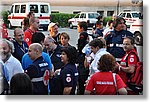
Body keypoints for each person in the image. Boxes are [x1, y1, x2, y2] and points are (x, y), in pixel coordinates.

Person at [76, 21, 89, 95]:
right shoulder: (88, 35)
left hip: (82, 61)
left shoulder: (83, 35)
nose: (77, 29)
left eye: (78, 27)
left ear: (82, 28)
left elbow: (81, 48)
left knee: (81, 82)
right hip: (84, 60)